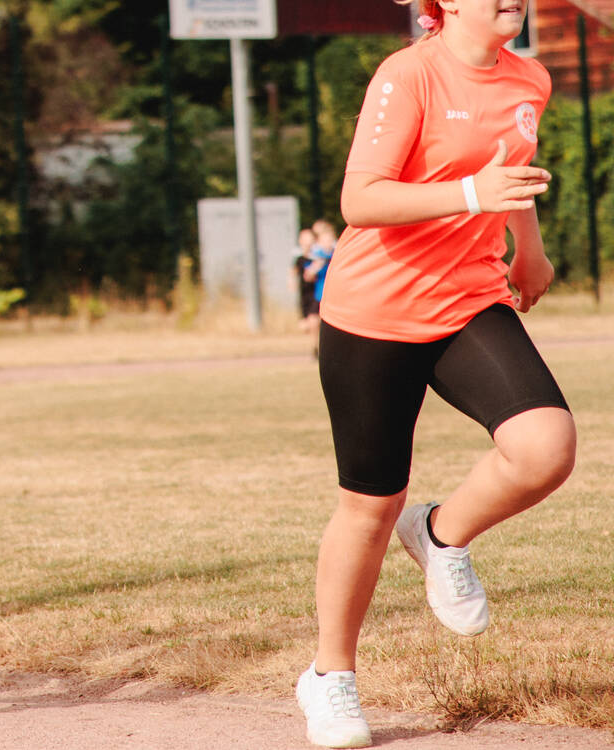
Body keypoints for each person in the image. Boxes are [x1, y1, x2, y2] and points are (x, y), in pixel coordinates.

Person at [296, 4, 573, 748]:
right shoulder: (408, 74)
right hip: (372, 313)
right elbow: (362, 199)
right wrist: (471, 195)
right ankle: (331, 678)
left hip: (469, 299)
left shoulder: (531, 77)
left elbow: (510, 171)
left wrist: (529, 249)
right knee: (369, 503)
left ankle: (442, 534)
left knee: (545, 445)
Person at [293, 227, 319, 334]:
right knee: (304, 326)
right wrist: (292, 281)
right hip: (304, 293)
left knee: (313, 320)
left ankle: (316, 347)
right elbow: (293, 271)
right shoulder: (298, 258)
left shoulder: (317, 256)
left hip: (316, 292)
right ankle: (315, 344)